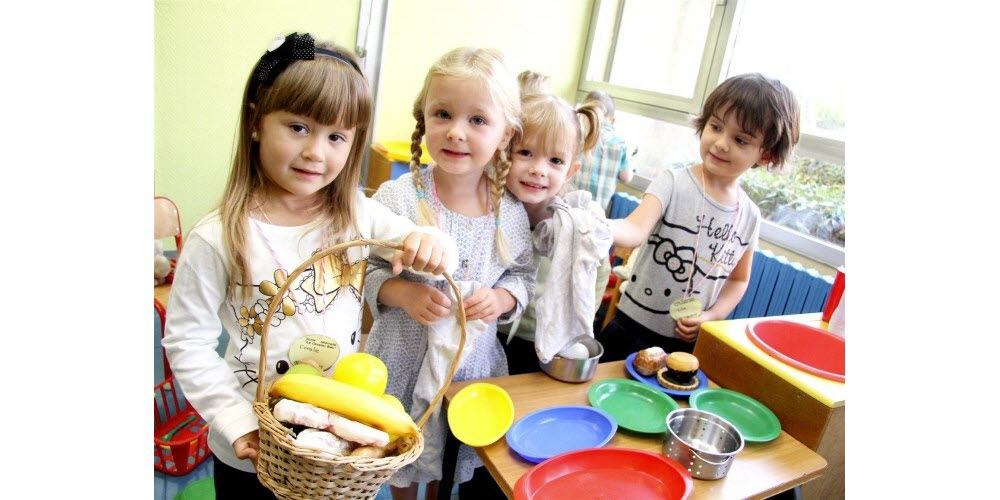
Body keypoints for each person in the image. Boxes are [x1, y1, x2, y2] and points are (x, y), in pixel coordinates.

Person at [161, 33, 458, 500]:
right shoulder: (217, 236)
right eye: (298, 127)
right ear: (257, 121)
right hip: (253, 443)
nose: (316, 152)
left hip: (334, 445)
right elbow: (187, 341)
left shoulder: (357, 215)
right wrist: (235, 422)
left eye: (336, 136)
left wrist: (432, 243)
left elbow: (434, 244)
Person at [362, 47, 535, 500]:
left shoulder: (509, 214)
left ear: (505, 135)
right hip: (400, 356)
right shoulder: (396, 199)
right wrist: (403, 294)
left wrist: (502, 300)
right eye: (443, 114)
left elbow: (522, 278)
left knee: (445, 458)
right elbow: (363, 271)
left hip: (468, 366)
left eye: (478, 120)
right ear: (424, 119)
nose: (456, 132)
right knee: (401, 455)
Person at [597, 73, 800, 359]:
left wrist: (713, 315)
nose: (720, 143)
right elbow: (634, 228)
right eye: (715, 127)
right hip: (630, 330)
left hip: (685, 344)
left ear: (764, 155)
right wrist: (594, 225)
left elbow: (738, 280)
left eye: (740, 139)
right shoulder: (673, 182)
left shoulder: (750, 216)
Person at [498, 92, 613, 375]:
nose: (538, 170)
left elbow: (598, 271)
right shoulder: (491, 210)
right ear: (504, 154)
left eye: (555, 161)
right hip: (492, 332)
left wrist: (577, 321)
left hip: (548, 343)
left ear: (571, 171)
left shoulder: (575, 222)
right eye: (525, 153)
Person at [576, 90, 634, 210]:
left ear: (584, 114)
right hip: (597, 210)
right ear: (613, 120)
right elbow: (626, 177)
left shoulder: (576, 136)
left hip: (569, 203)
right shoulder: (620, 143)